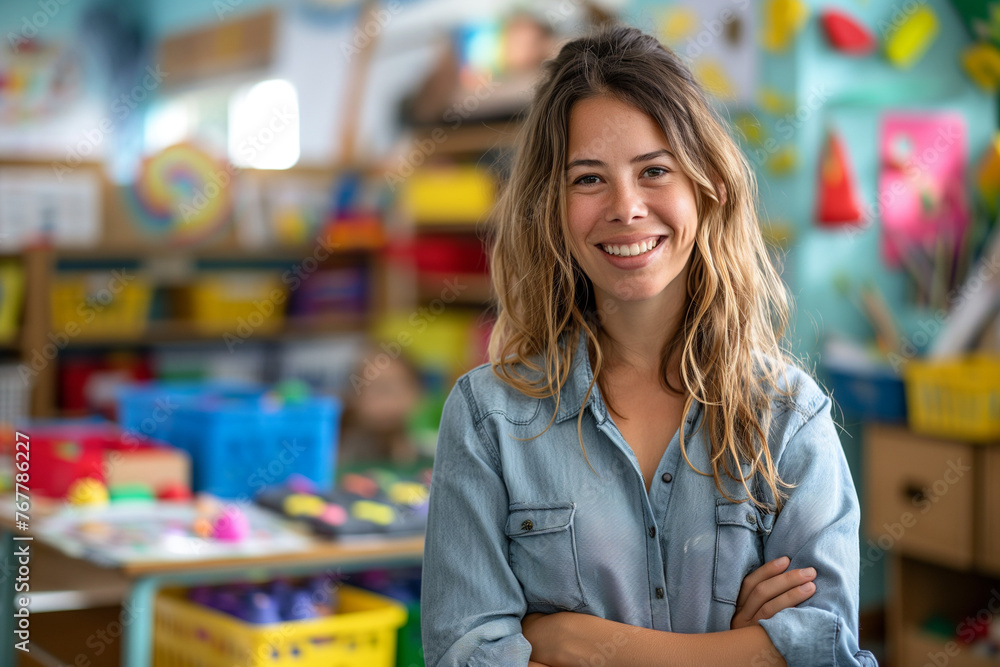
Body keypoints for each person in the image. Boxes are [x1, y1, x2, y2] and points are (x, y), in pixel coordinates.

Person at [420, 24, 877, 667]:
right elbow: (467, 656)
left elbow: (828, 654)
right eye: (588, 179)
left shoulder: (790, 418)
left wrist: (569, 640)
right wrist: (738, 651)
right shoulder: (487, 417)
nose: (626, 207)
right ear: (552, 207)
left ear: (707, 185)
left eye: (655, 170)